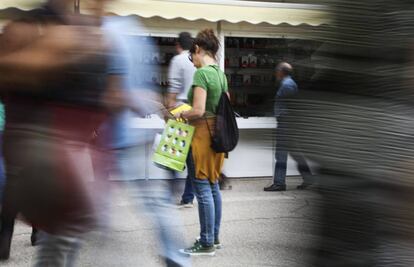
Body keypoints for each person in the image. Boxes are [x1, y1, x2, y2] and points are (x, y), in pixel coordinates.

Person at [0, 0, 114, 264]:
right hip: (42, 152)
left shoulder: (72, 31)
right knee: (66, 232)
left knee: (64, 237)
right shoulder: (36, 29)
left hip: (55, 152)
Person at [176, 29, 226, 256]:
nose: (193, 62)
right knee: (213, 185)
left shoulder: (202, 74)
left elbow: (197, 110)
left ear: (197, 49)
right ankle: (213, 237)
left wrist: (181, 114)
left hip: (201, 137)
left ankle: (205, 242)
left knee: (203, 188)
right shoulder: (220, 74)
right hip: (217, 136)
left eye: (192, 57)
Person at [264, 62, 313, 192]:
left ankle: (279, 183)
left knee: (281, 154)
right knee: (296, 153)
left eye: (277, 71)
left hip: (286, 124)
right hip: (288, 123)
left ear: (281, 72)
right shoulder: (288, 84)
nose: (275, 74)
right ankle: (308, 178)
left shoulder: (287, 85)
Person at [166, 32, 197, 208]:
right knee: (191, 156)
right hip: (194, 109)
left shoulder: (178, 60)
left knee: (173, 152)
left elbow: (174, 88)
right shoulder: (197, 60)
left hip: (179, 110)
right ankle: (188, 197)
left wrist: (168, 111)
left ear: (178, 45)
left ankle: (171, 191)